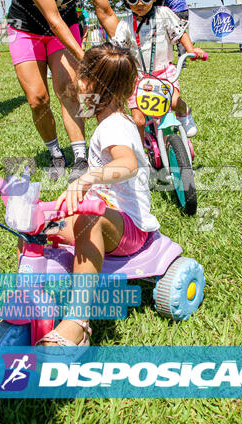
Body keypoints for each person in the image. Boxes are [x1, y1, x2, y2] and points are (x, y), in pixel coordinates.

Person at [36, 43, 160, 346]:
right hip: (106, 214)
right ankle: (26, 308)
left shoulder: (114, 126)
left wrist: (87, 179)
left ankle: (77, 323)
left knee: (87, 221)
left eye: (80, 78)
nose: (75, 86)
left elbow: (127, 165)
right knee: (35, 220)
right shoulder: (110, 122)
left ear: (93, 85)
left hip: (129, 228)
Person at [6, 0, 119, 182]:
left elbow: (105, 11)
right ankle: (55, 152)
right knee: (38, 99)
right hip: (27, 29)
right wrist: (88, 59)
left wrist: (125, 48)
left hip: (65, 27)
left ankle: (80, 155)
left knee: (69, 88)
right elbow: (53, 20)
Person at [113, 0, 206, 143]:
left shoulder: (164, 13)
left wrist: (191, 50)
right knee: (138, 120)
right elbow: (117, 50)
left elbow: (180, 34)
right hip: (137, 78)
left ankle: (184, 112)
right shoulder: (124, 24)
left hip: (163, 73)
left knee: (173, 102)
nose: (140, 3)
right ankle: (141, 153)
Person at [163, 0, 189, 67]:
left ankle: (167, 62)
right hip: (184, 10)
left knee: (168, 36)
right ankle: (182, 63)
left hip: (176, 12)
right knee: (180, 35)